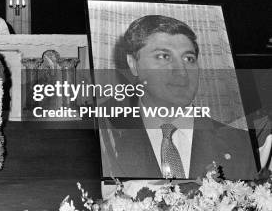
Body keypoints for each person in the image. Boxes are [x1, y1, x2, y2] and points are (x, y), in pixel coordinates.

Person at [100, 15, 257, 179]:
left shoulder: (240, 144)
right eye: (163, 56)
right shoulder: (106, 142)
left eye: (189, 59)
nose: (182, 71)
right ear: (133, 64)